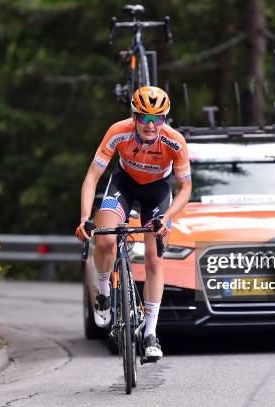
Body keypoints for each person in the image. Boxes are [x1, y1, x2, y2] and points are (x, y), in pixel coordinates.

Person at [76, 86, 192, 360]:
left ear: (165, 119)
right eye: (144, 118)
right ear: (134, 116)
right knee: (104, 240)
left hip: (158, 192)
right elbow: (92, 176)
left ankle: (151, 332)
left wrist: (166, 217)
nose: (151, 126)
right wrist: (84, 218)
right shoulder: (118, 131)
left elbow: (185, 189)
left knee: (154, 259)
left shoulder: (175, 142)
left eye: (158, 119)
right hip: (124, 185)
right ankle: (104, 293)